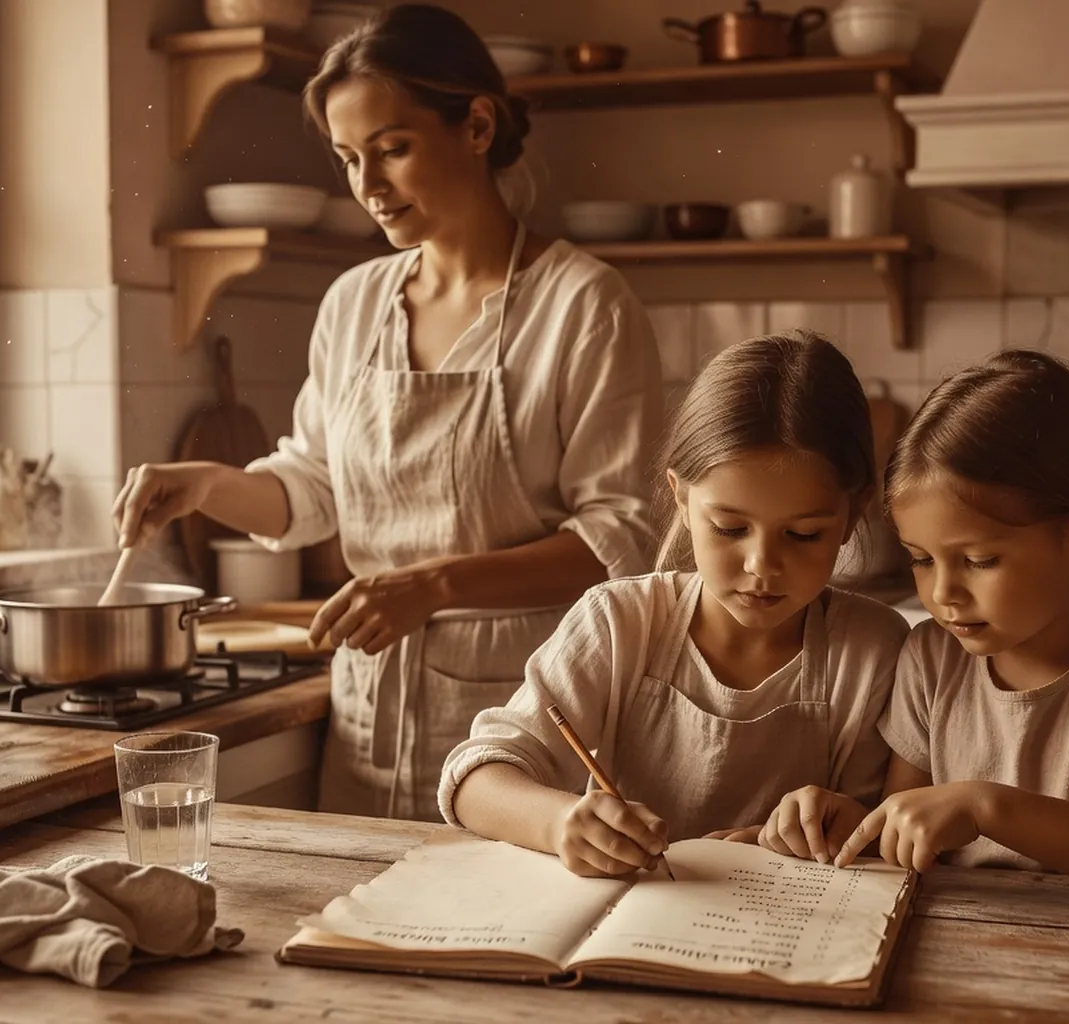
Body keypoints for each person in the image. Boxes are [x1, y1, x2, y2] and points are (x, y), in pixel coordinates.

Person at [112, 4, 664, 820]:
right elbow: (314, 484)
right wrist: (207, 486)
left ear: (477, 125)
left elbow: (619, 538)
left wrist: (433, 585)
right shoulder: (354, 304)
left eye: (392, 150)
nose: (368, 186)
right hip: (368, 720)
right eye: (347, 159)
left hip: (528, 723)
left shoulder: (584, 305)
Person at [759, 350, 1069, 900]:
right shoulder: (931, 659)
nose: (942, 594)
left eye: (980, 561)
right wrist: (843, 825)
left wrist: (987, 806)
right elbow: (909, 839)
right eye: (921, 559)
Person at [440, 333, 910, 878]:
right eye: (731, 528)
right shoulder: (621, 622)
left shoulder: (874, 651)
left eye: (803, 534)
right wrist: (559, 822)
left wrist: (831, 828)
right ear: (683, 499)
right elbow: (474, 777)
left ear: (853, 516)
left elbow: (880, 840)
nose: (761, 564)